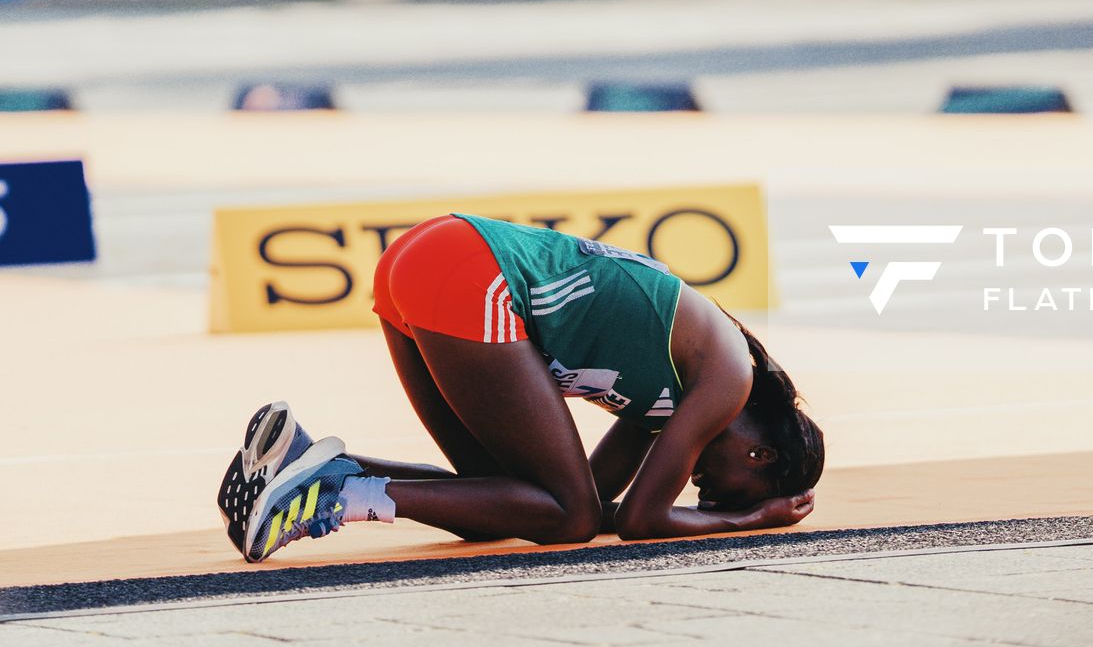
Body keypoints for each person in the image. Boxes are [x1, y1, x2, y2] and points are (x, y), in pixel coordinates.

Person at [216, 214, 824, 561]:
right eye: (724, 490)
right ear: (760, 455)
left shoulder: (678, 396)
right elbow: (640, 519)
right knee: (566, 519)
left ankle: (313, 464)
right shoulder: (728, 378)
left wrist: (615, 510)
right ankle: (334, 495)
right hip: (470, 272)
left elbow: (595, 495)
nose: (700, 486)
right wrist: (747, 520)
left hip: (427, 257)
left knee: (504, 505)